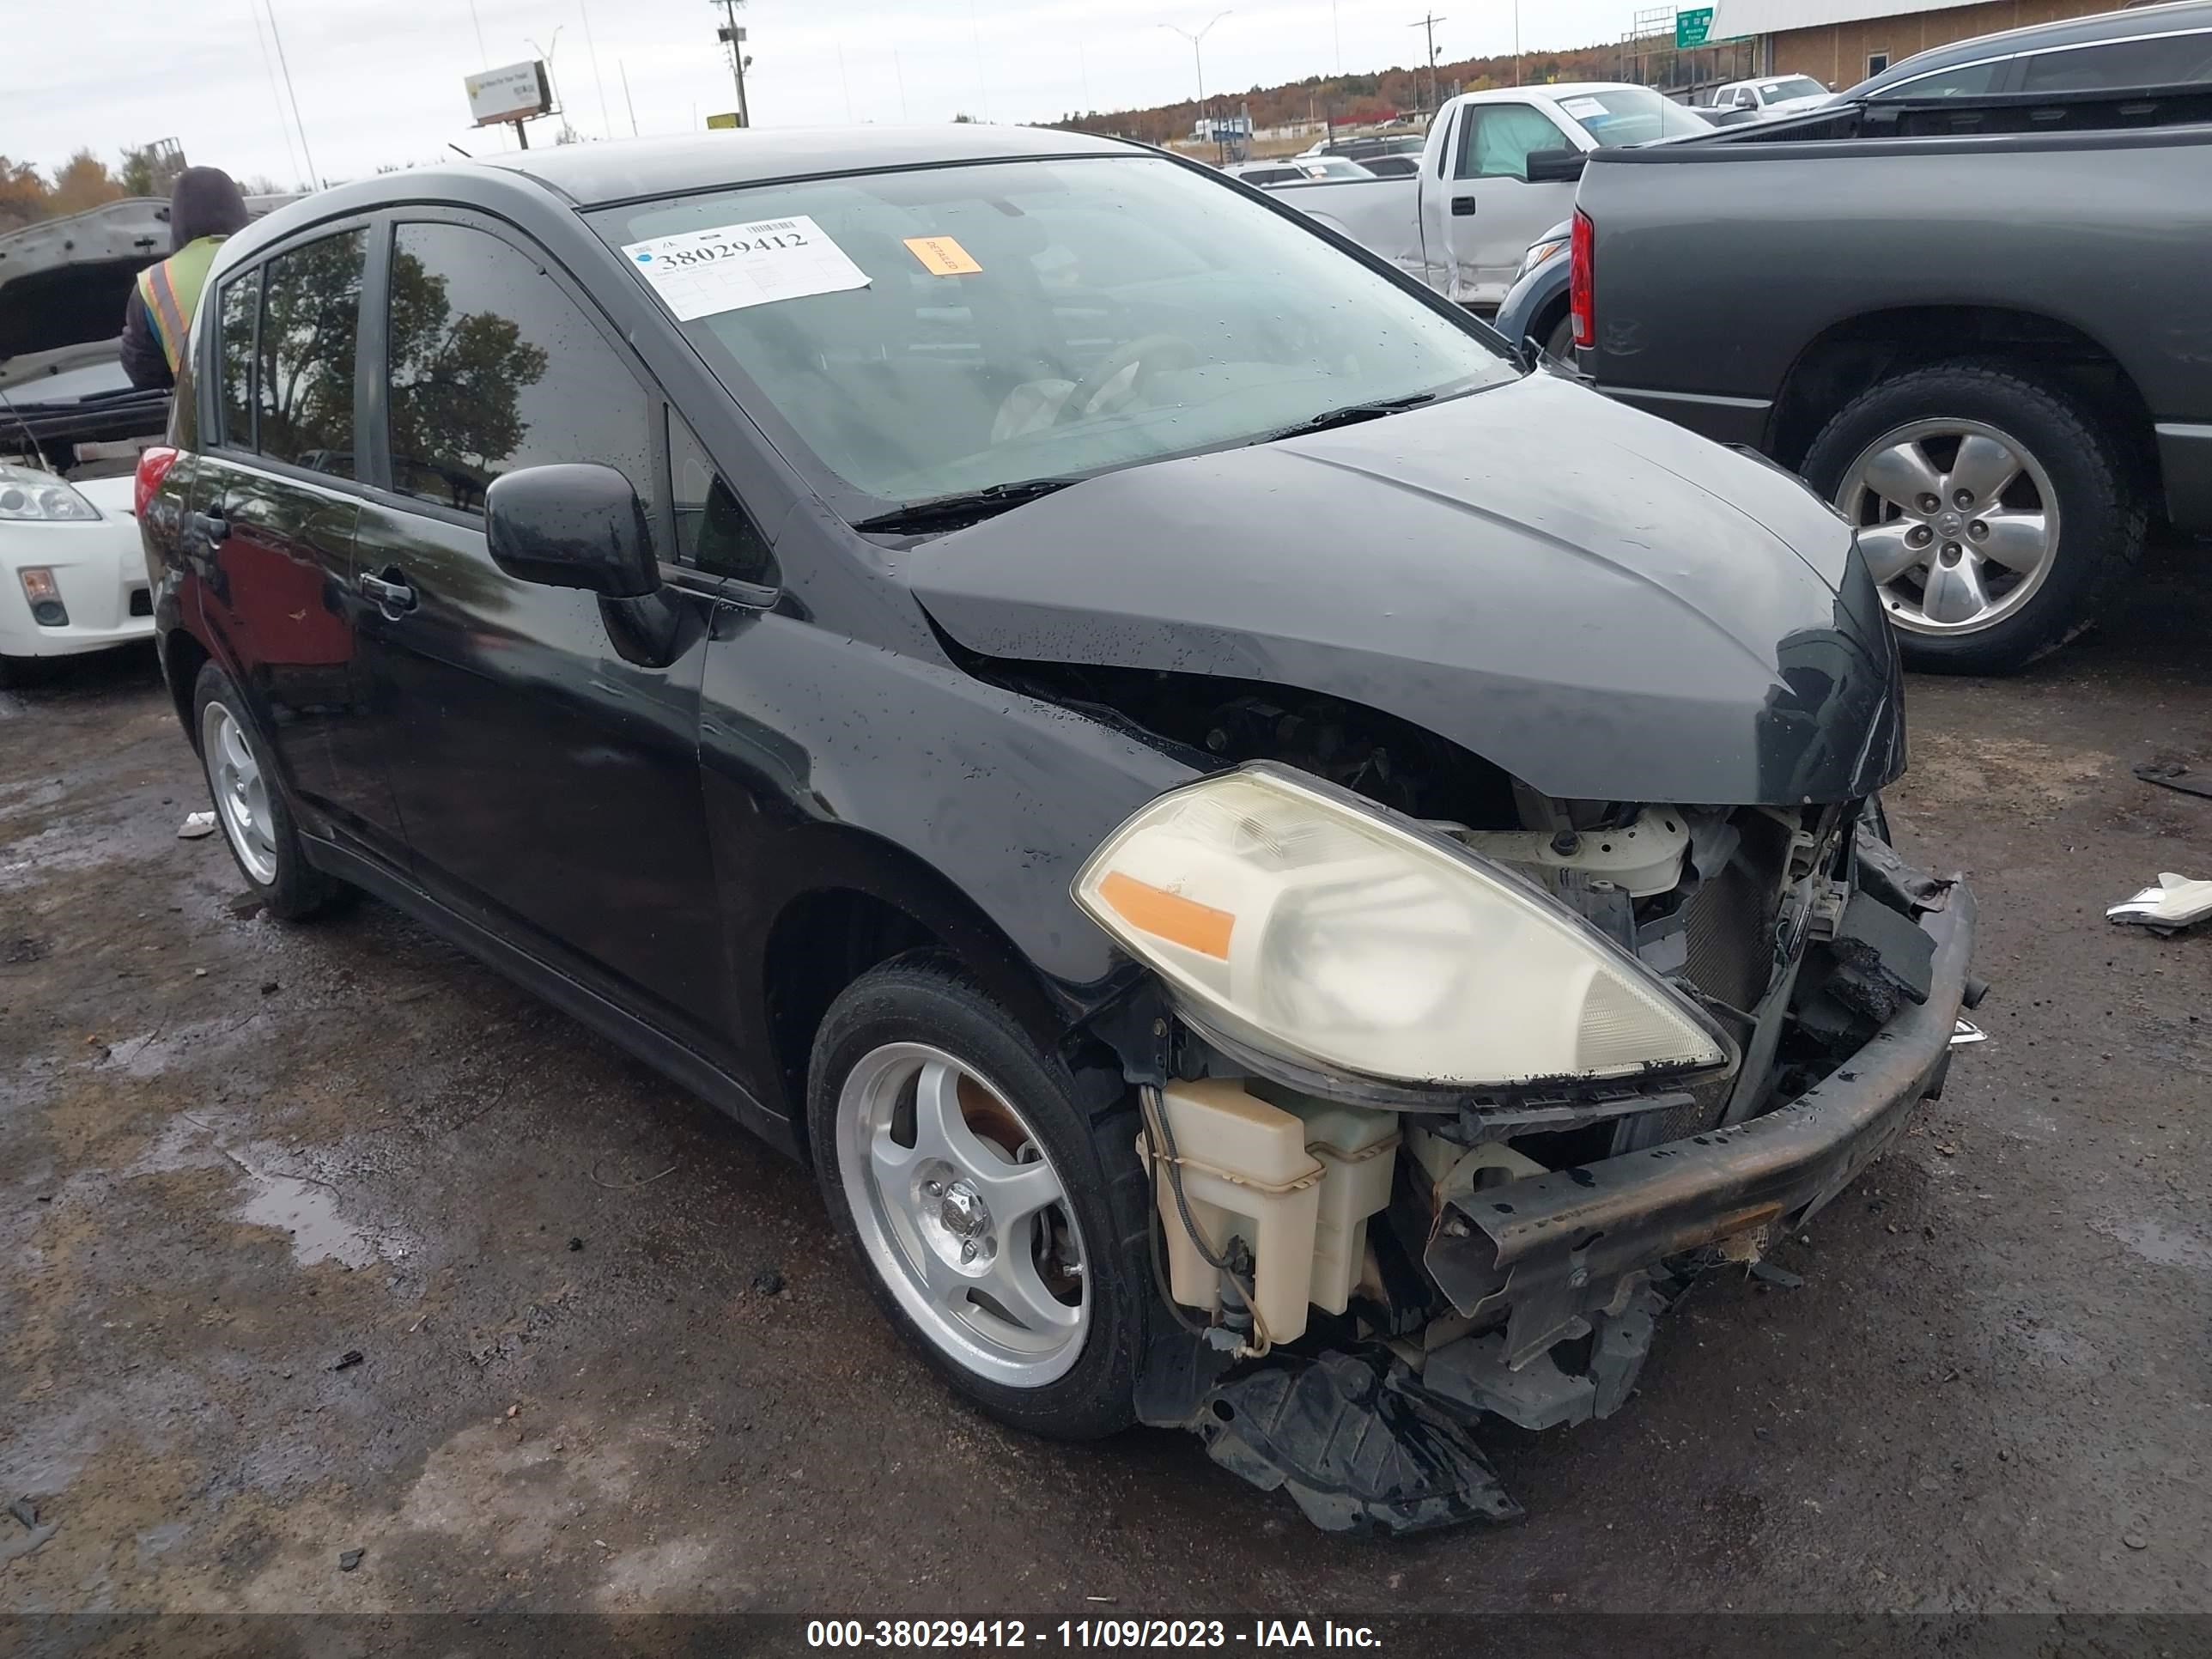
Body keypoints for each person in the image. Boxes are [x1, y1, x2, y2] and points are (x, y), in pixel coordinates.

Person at [119, 167, 251, 391]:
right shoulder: (268, 255)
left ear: (178, 221)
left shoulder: (152, 285)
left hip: (204, 420)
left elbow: (143, 370)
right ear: (238, 210)